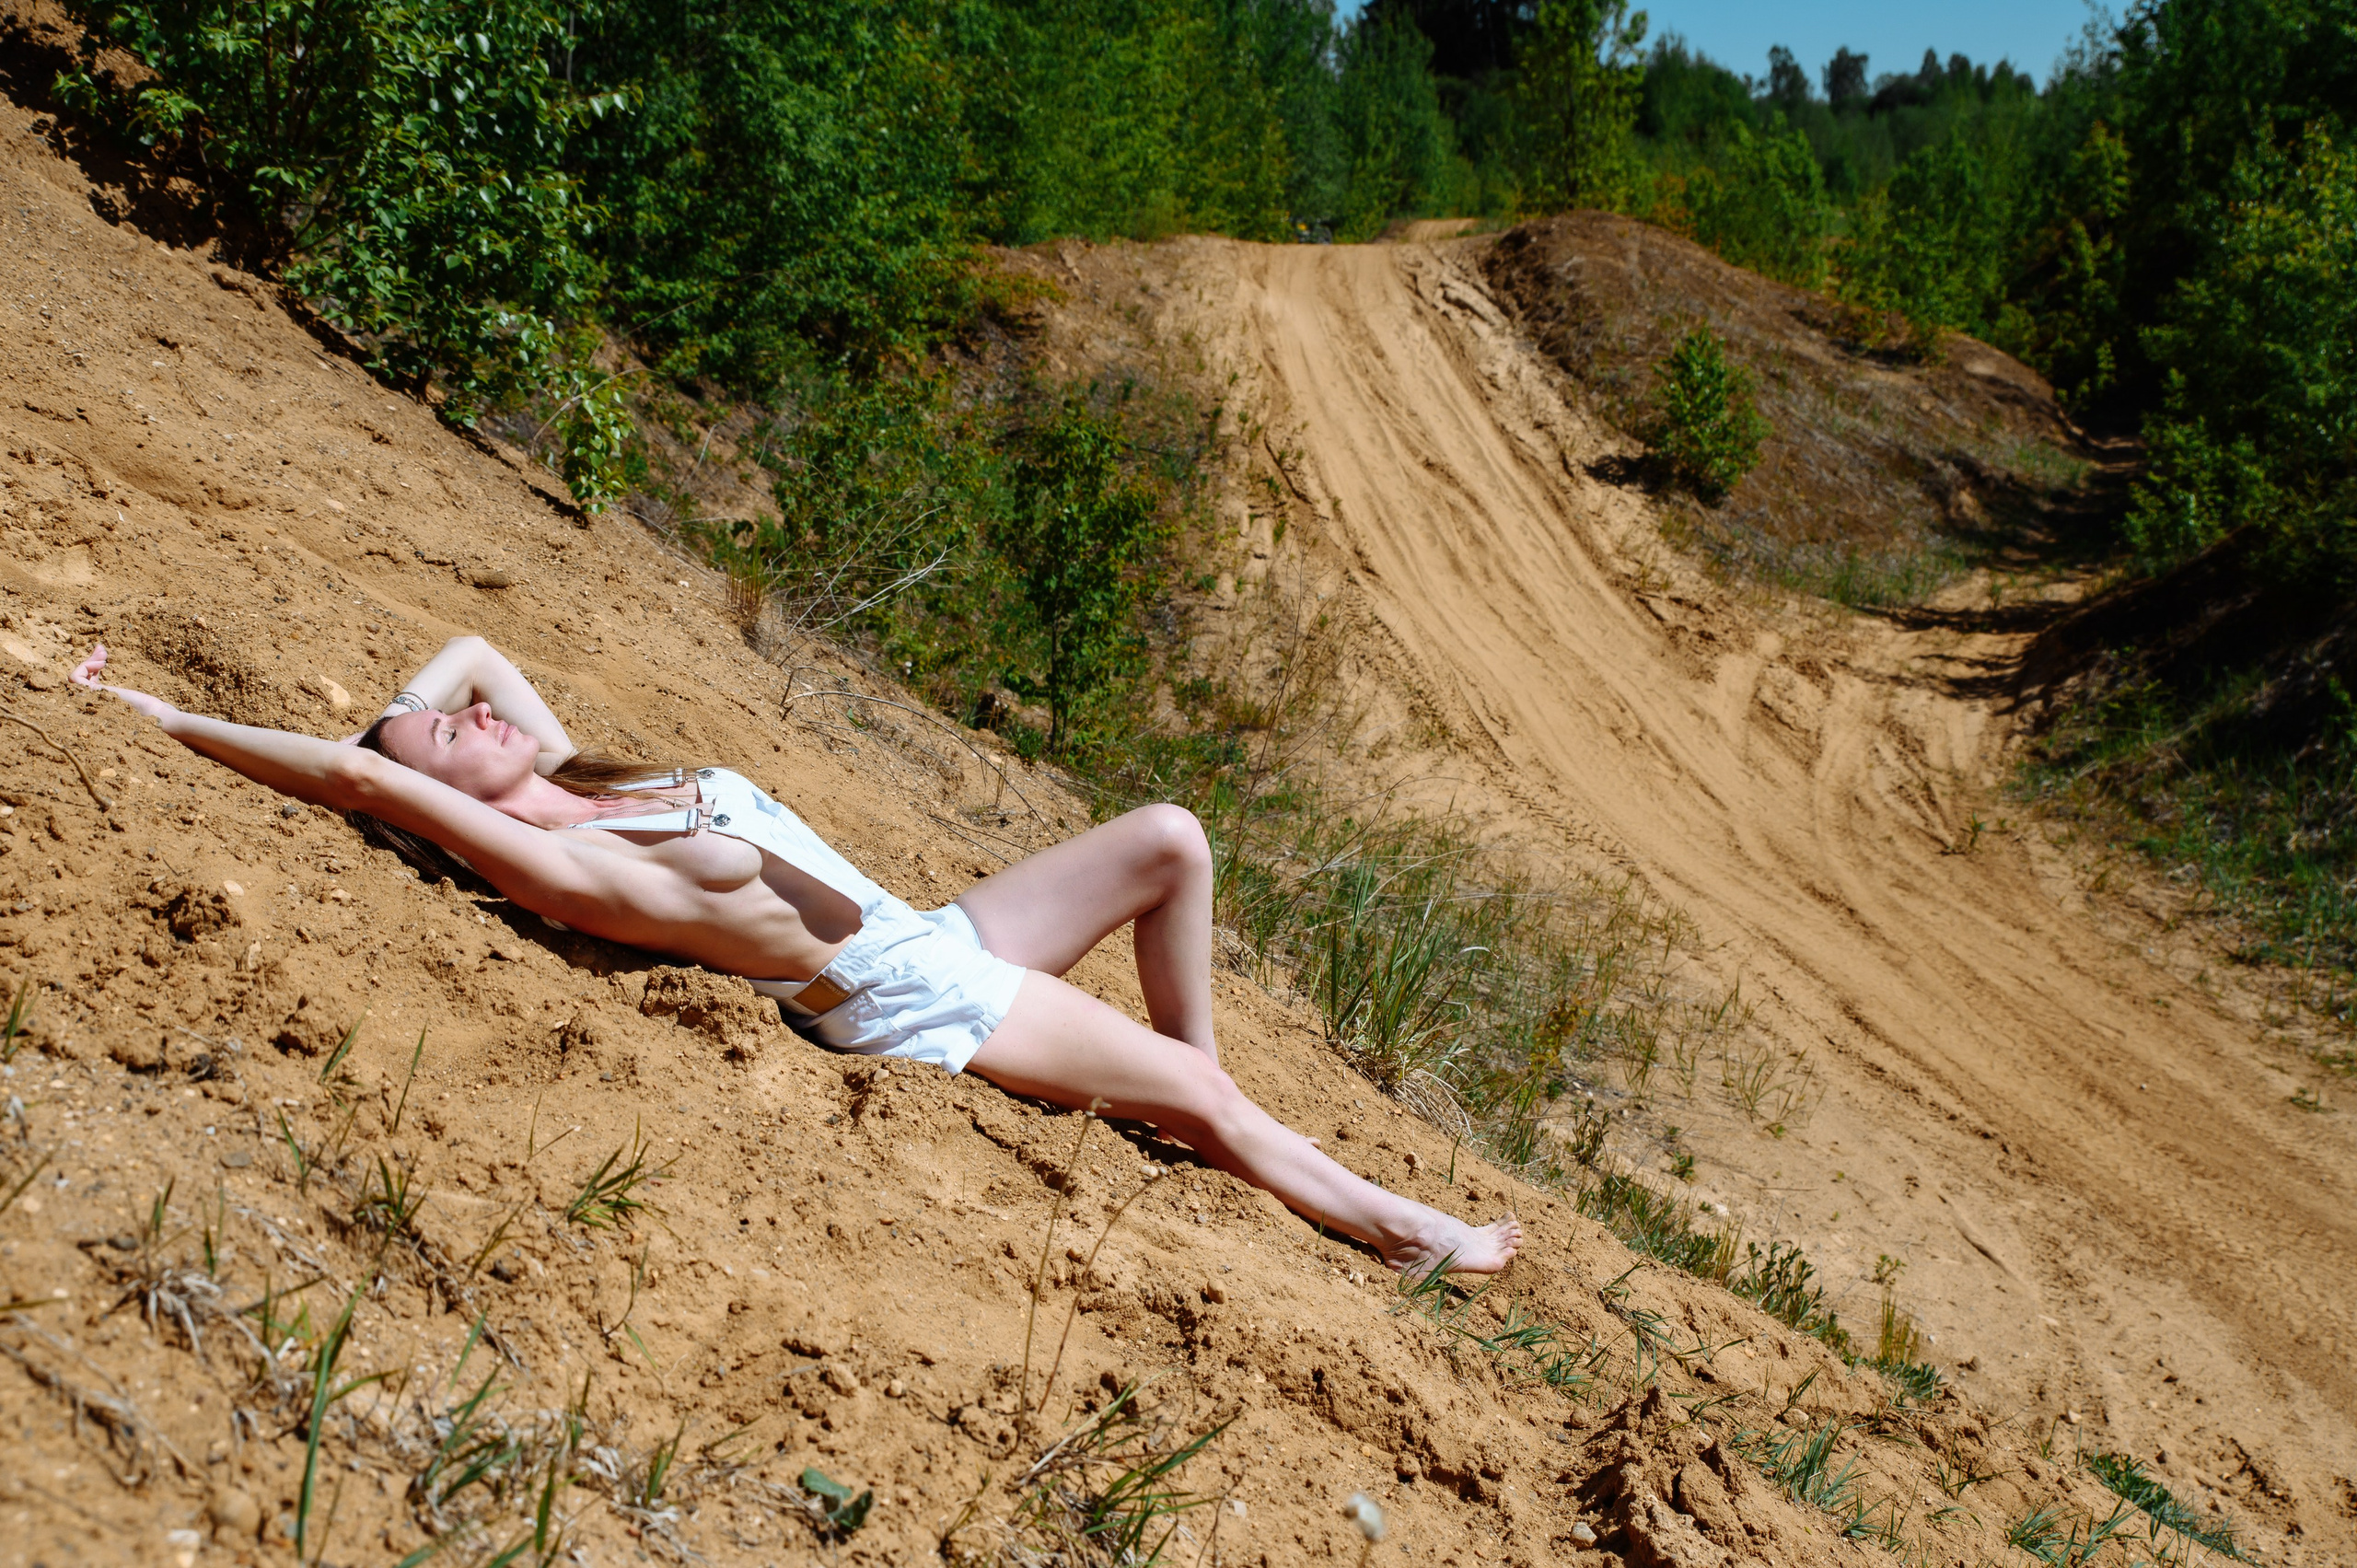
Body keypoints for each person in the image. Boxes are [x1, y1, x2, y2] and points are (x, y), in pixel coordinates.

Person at [73, 635, 1520, 1275]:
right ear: (460, 796)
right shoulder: (572, 863)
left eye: (467, 719)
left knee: (1172, 837)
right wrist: (168, 715)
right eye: (463, 737)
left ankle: (1185, 1087)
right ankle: (1406, 1231)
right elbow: (373, 784)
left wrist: (417, 711)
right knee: (1208, 1107)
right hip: (910, 1005)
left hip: (933, 932)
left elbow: (466, 647)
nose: (480, 717)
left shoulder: (588, 778)